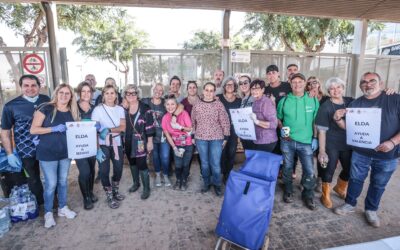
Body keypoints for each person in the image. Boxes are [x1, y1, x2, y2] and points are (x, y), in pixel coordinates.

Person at [333, 72, 400, 228]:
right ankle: (350, 204)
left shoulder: (395, 98)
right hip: (361, 153)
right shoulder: (355, 104)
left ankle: (371, 210)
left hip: (387, 155)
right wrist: (338, 120)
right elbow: (349, 128)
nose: (368, 84)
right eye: (364, 81)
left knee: (378, 183)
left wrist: (392, 142)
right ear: (360, 85)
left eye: (372, 81)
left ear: (381, 83)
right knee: (355, 179)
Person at [30, 83, 79, 228]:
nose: (64, 96)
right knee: (51, 184)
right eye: (61, 93)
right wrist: (52, 129)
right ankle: (48, 213)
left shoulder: (72, 112)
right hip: (47, 153)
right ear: (56, 93)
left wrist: (91, 126)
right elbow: (33, 130)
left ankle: (62, 207)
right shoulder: (46, 108)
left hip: (65, 153)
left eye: (67, 93)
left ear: (71, 96)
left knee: (63, 181)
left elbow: (77, 129)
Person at [1, 75, 49, 203]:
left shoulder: (47, 100)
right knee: (33, 179)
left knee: (51, 177)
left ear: (39, 86)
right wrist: (10, 154)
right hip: (26, 151)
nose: (30, 88)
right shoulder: (10, 106)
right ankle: (40, 205)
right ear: (20, 87)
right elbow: (5, 132)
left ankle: (52, 201)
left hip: (47, 147)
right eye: (26, 85)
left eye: (33, 85)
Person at [277, 73, 319, 210]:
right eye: (294, 82)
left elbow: (315, 121)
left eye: (300, 81)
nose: (297, 84)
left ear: (305, 82)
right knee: (287, 167)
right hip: (287, 141)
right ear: (290, 83)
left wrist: (315, 138)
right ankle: (288, 190)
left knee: (309, 170)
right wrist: (284, 133)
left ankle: (308, 194)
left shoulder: (313, 100)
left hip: (306, 142)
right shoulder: (284, 101)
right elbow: (279, 119)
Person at [315, 77, 354, 208]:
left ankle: (340, 187)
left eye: (338, 87)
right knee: (329, 169)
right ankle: (325, 194)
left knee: (350, 169)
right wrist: (321, 151)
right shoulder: (325, 107)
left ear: (343, 88)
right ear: (328, 91)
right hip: (331, 143)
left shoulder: (351, 102)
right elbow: (322, 131)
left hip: (348, 143)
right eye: (332, 88)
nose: (335, 90)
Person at [191, 82, 230, 196]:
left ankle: (217, 184)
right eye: (206, 90)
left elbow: (225, 121)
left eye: (211, 90)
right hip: (201, 138)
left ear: (214, 92)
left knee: (215, 163)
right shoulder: (197, 105)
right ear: (203, 91)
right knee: (204, 163)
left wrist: (226, 136)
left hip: (216, 137)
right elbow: (193, 121)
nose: (208, 93)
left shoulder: (219, 104)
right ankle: (206, 183)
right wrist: (193, 135)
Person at [91, 85, 126, 209]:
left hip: (116, 143)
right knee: (104, 171)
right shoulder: (98, 110)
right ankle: (109, 194)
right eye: (107, 93)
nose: (110, 96)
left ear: (116, 95)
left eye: (112, 93)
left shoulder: (120, 109)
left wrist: (109, 129)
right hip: (103, 144)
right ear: (103, 95)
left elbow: (123, 127)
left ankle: (115, 190)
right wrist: (97, 149)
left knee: (118, 169)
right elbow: (93, 131)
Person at [123, 84, 154, 200]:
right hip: (127, 140)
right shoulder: (123, 108)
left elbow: (150, 126)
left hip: (140, 141)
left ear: (137, 94)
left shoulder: (145, 108)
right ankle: (136, 183)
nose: (131, 95)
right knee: (131, 162)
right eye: (128, 93)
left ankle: (146, 188)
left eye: (133, 93)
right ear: (125, 95)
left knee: (141, 163)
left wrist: (150, 142)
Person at [162, 95, 194, 190]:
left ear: (176, 105)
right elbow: (167, 135)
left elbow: (190, 129)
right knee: (178, 164)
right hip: (176, 145)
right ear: (165, 106)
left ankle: (184, 180)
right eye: (168, 104)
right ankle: (178, 180)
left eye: (172, 104)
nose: (170, 106)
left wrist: (179, 127)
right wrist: (174, 148)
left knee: (185, 164)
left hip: (187, 144)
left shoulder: (184, 114)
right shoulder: (165, 118)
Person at [75, 81, 98, 210]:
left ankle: (90, 192)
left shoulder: (94, 108)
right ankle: (86, 198)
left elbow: (98, 125)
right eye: (83, 91)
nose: (86, 94)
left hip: (92, 144)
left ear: (92, 93)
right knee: (84, 171)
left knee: (92, 170)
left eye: (88, 91)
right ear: (79, 93)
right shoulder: (73, 107)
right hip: (78, 145)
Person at [142, 83, 171, 187]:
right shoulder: (145, 101)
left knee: (165, 156)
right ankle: (158, 175)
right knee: (155, 157)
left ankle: (166, 175)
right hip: (151, 136)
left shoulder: (165, 102)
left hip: (164, 135)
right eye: (156, 89)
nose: (158, 92)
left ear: (163, 92)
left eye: (160, 90)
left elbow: (177, 105)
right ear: (152, 89)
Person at [217, 77, 241, 183]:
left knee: (231, 152)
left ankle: (228, 174)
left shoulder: (239, 100)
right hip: (220, 129)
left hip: (234, 130)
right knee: (221, 152)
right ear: (224, 86)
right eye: (227, 84)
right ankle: (221, 172)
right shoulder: (218, 98)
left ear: (235, 86)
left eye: (232, 84)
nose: (230, 86)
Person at [249, 79, 278, 152]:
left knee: (261, 163)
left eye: (257, 88)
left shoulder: (266, 102)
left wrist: (257, 121)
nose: (254, 91)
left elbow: (274, 124)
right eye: (252, 88)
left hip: (267, 140)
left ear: (263, 90)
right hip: (257, 139)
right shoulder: (255, 101)